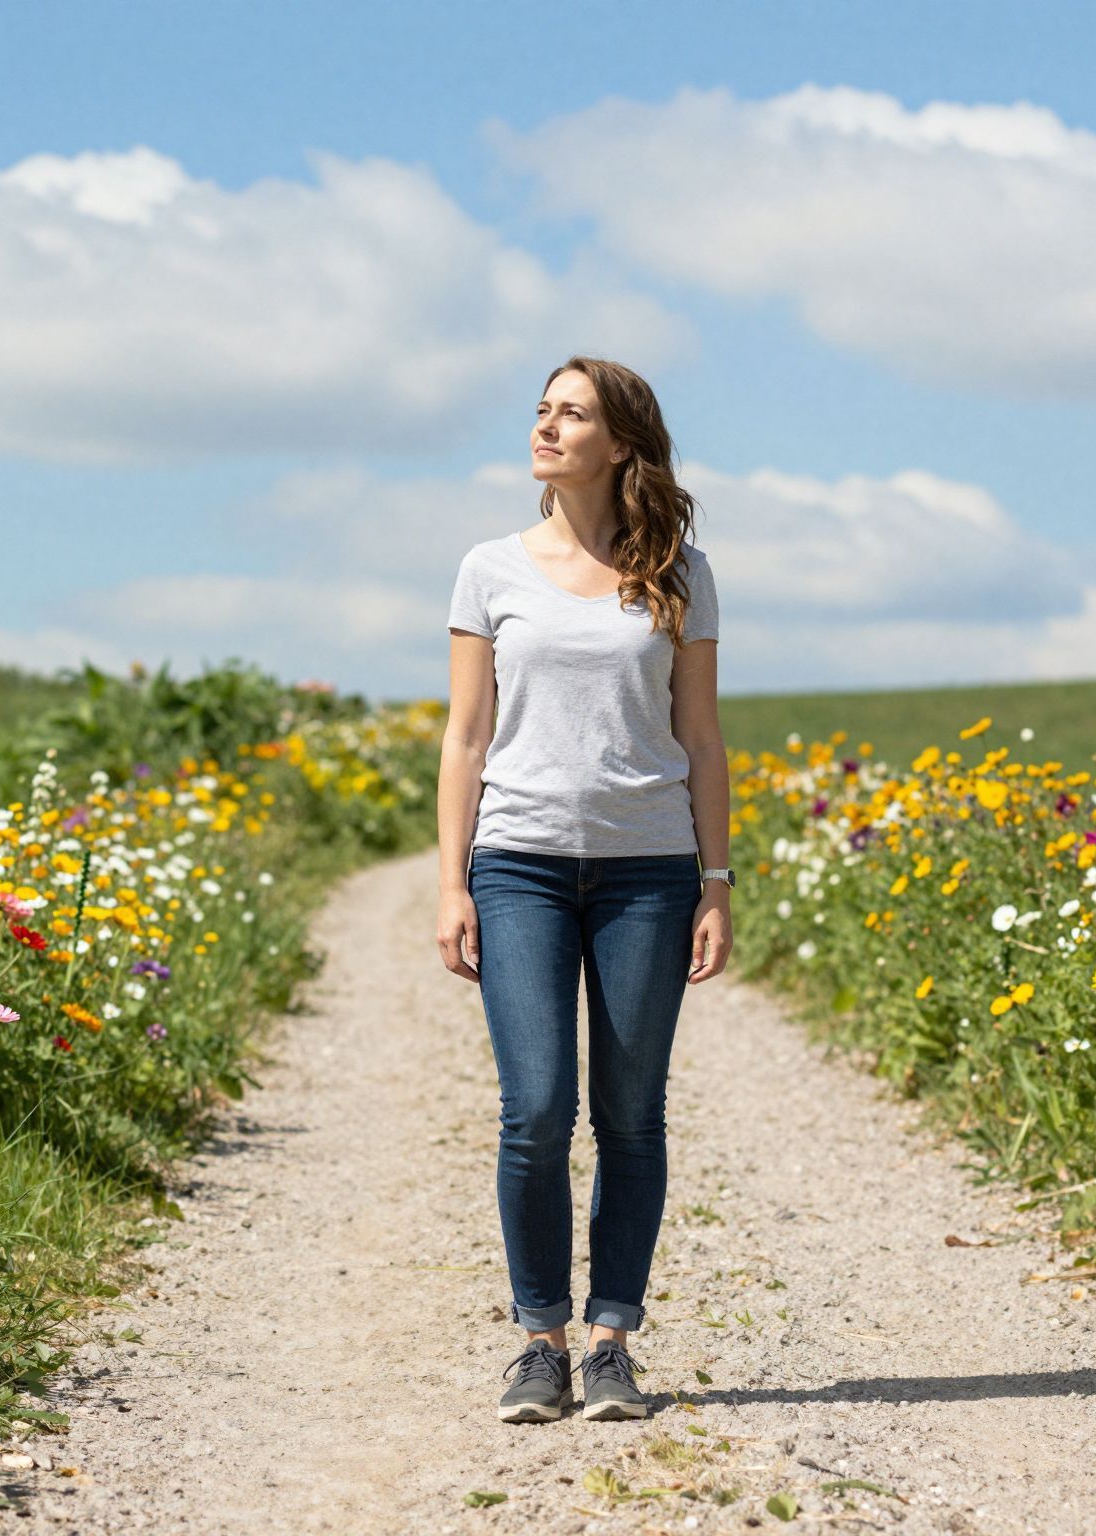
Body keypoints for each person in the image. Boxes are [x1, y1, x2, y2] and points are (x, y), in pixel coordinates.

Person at [437, 355, 733, 1425]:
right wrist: (450, 883)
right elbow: (464, 736)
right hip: (514, 864)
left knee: (628, 1116)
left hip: (647, 873)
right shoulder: (487, 569)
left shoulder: (681, 573)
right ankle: (538, 1341)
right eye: (542, 409)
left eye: (571, 414)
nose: (546, 426)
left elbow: (699, 737)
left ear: (618, 444)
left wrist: (714, 882)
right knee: (535, 1108)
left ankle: (610, 1338)